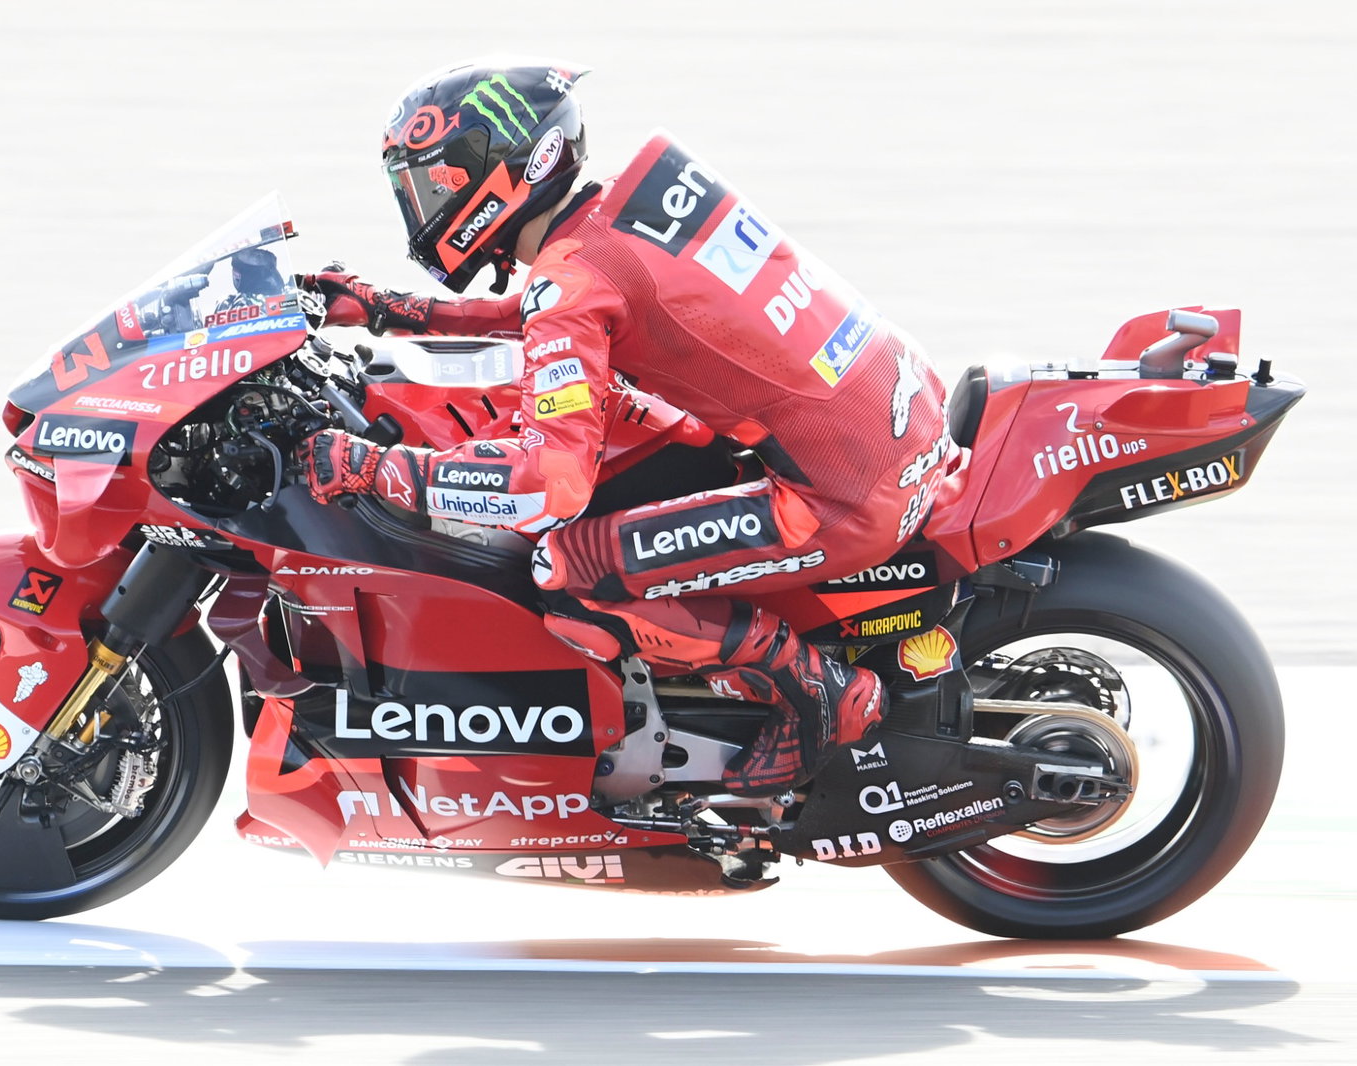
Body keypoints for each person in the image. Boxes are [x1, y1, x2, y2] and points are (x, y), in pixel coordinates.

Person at [299, 59, 950, 796]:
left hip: (841, 495)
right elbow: (564, 305)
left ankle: (818, 693)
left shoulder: (573, 280)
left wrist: (377, 467)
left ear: (510, 168)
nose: (422, 206)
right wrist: (396, 310)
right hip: (897, 417)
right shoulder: (610, 221)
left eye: (435, 184)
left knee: (570, 573)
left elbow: (550, 487)